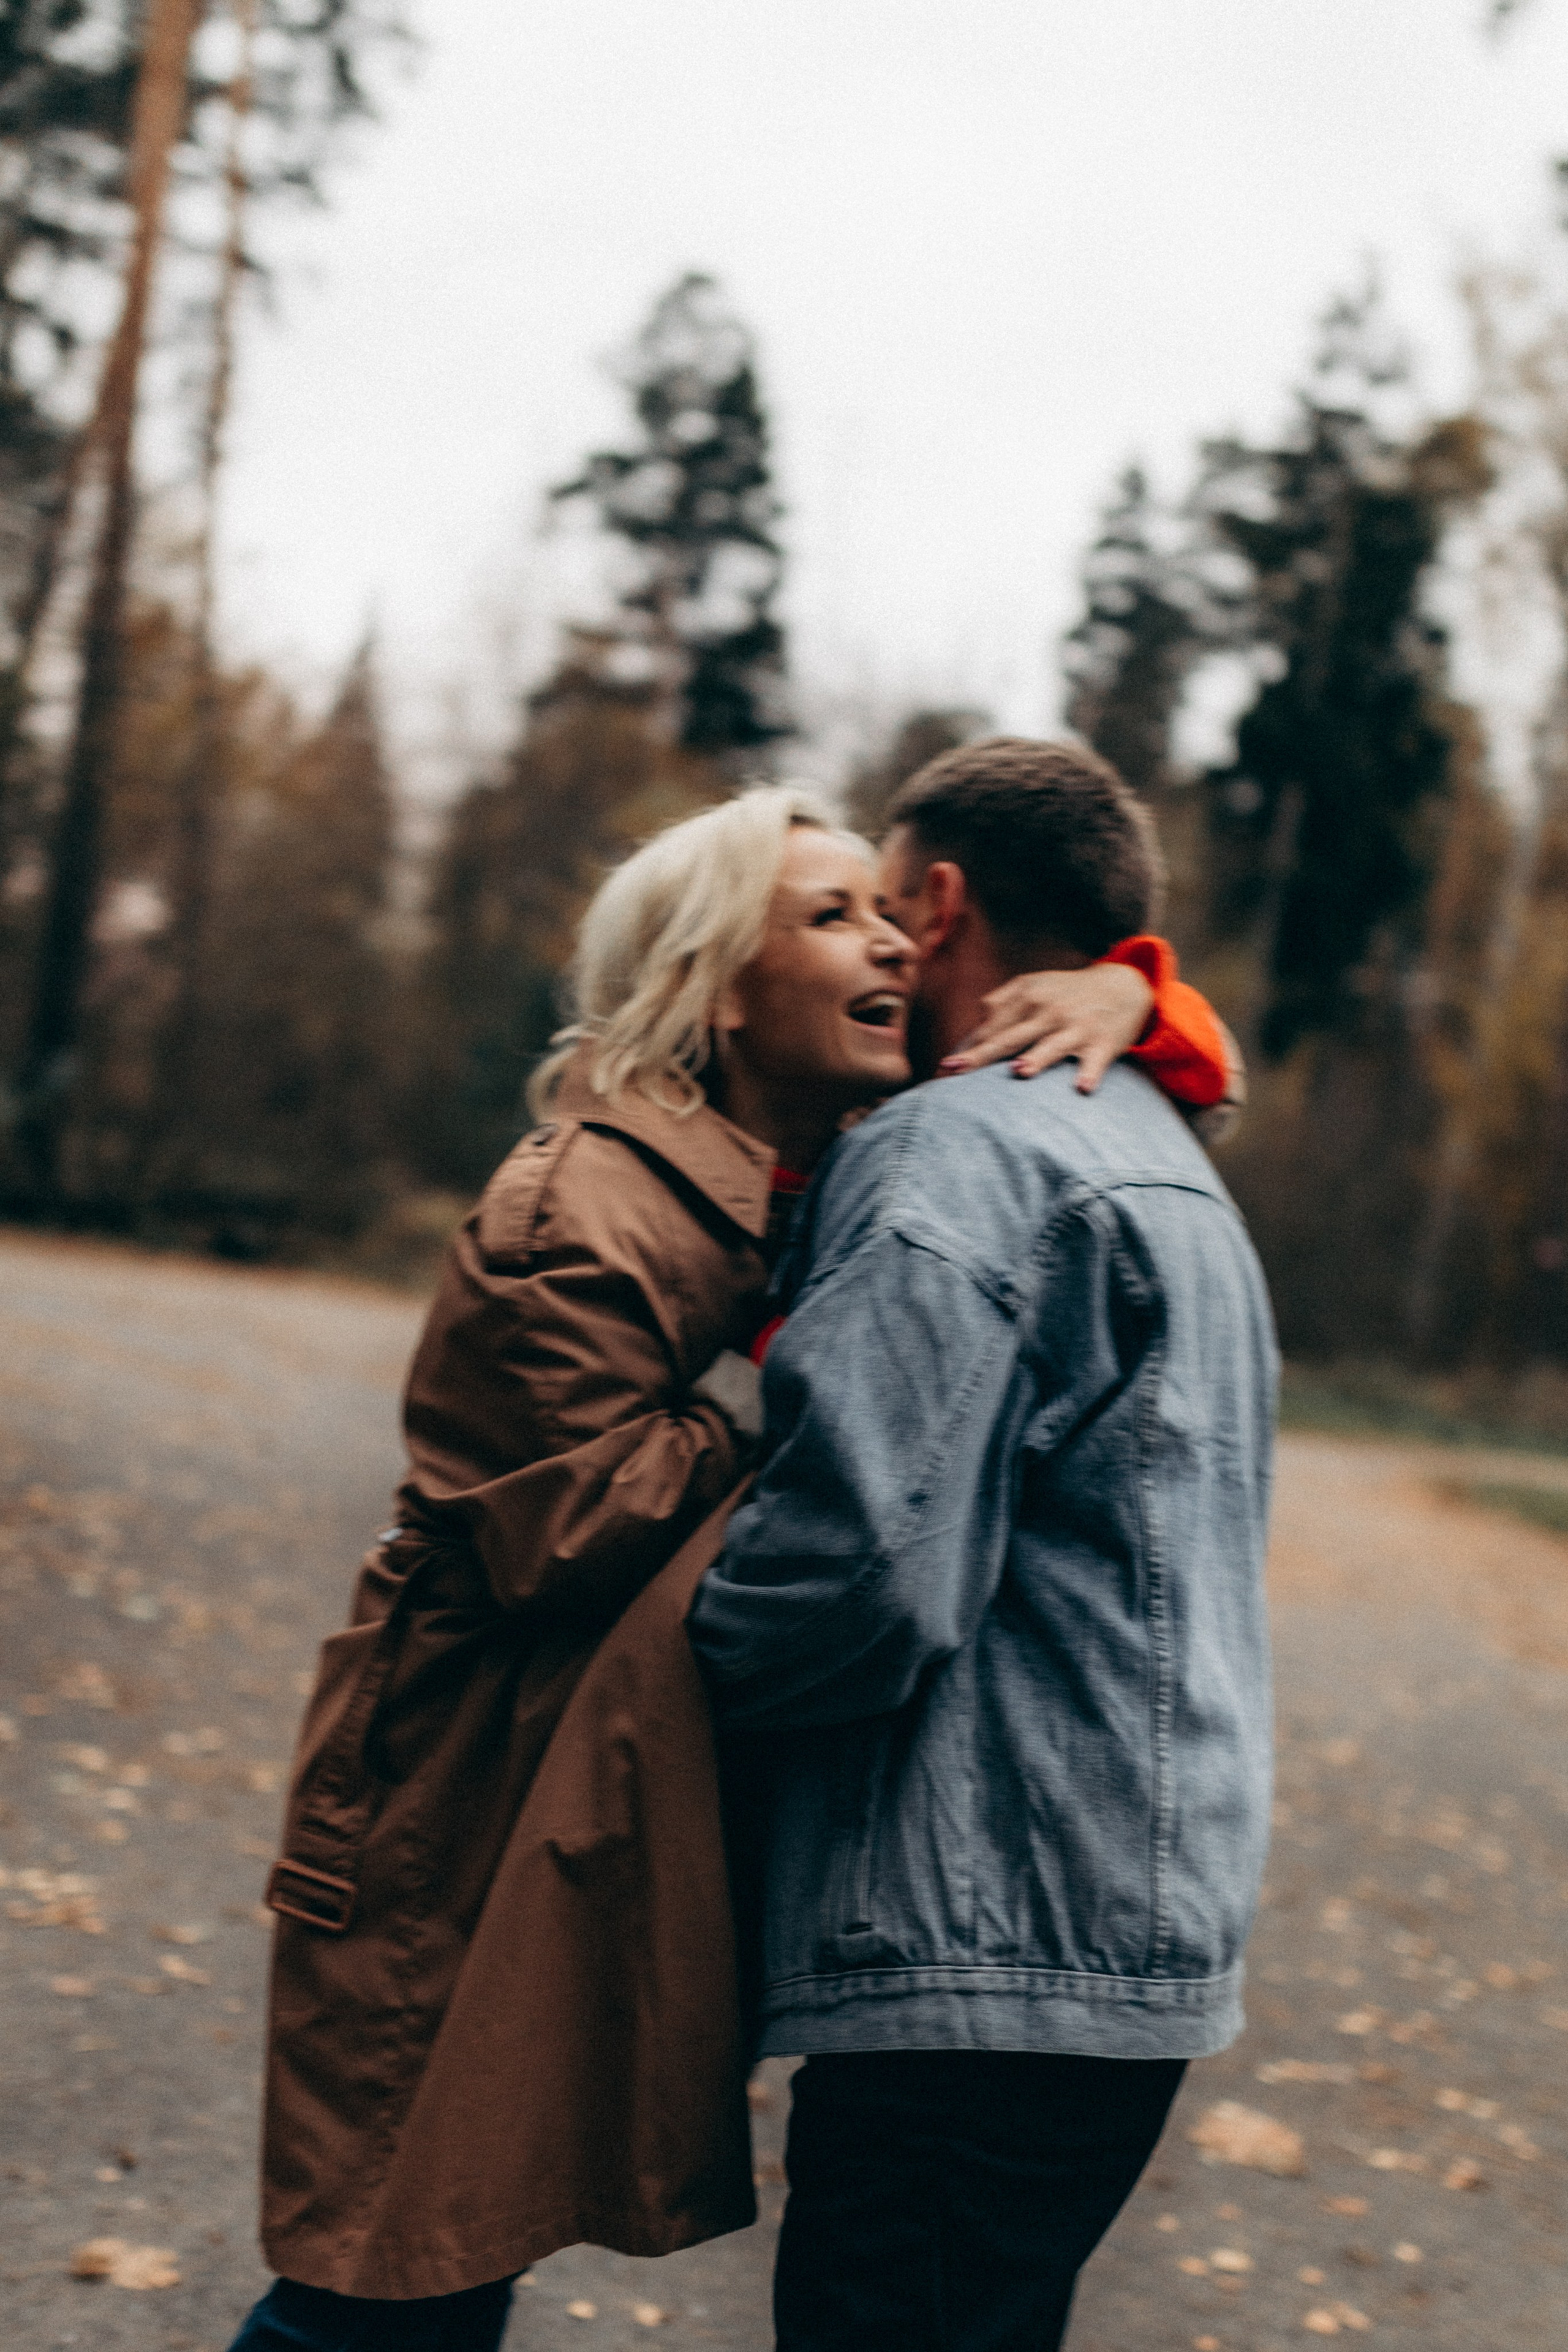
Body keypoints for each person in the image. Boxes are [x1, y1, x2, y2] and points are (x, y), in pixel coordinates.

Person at [231, 781, 1235, 2352]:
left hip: (598, 1795)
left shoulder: (833, 1163)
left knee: (446, 2257)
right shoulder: (580, 1197)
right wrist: (756, 1411)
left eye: (889, 911)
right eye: (832, 917)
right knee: (386, 2270)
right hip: (473, 1798)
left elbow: (1125, 1076)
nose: (891, 943)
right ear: (711, 986)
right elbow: (557, 1523)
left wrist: (1133, 991)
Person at [689, 740, 1278, 2352]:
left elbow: (852, 1569)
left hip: (986, 1919)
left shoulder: (956, 1148)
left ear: (940, 903)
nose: (878, 947)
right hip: (1128, 1920)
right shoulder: (1161, 1148)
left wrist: (656, 1687)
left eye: (884, 908)